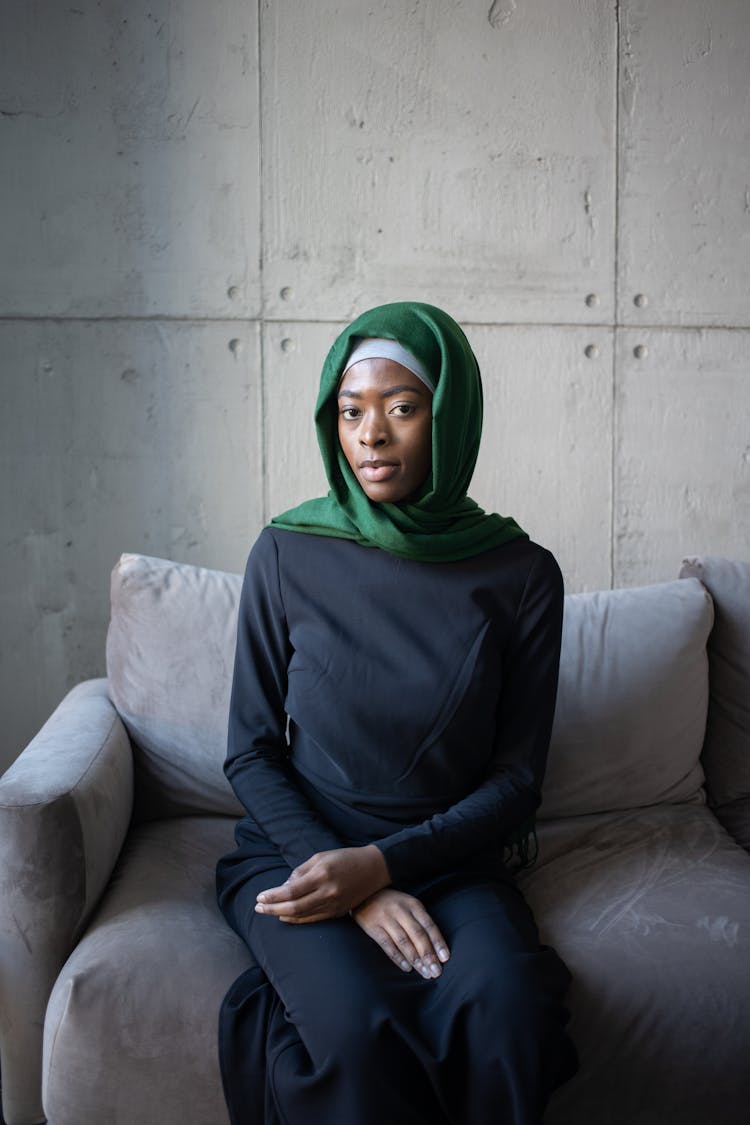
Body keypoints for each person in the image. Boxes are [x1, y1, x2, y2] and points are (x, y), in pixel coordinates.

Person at [216, 301, 578, 1125]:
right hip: (295, 852)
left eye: (401, 408)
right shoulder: (285, 552)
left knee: (508, 1012)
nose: (371, 434)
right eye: (352, 412)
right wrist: (349, 880)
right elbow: (249, 752)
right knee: (354, 1030)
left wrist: (384, 865)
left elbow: (518, 779)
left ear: (449, 417)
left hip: (451, 861)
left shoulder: (521, 574)